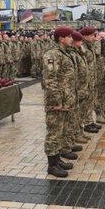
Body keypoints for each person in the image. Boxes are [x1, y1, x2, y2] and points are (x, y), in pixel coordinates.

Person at [42, 27, 77, 178]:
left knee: (60, 130)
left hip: (65, 98)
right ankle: (52, 165)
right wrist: (56, 100)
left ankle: (57, 160)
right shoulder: (52, 54)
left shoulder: (65, 52)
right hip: (56, 101)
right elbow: (50, 79)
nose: (71, 39)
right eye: (69, 37)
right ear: (61, 38)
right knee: (54, 132)